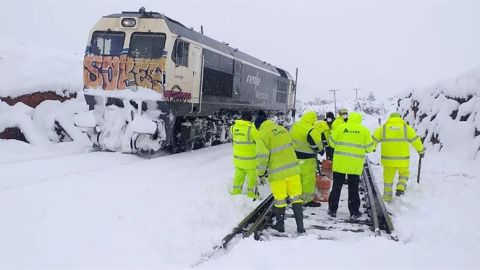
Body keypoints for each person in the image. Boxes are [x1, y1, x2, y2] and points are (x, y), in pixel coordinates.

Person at [255, 111, 305, 233]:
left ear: (259, 125)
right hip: (293, 170)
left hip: (278, 173)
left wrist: (261, 173)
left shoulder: (262, 134)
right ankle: (300, 227)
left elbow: (262, 156)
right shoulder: (282, 129)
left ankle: (280, 225)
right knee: (296, 198)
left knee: (280, 199)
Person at [328, 111, 375, 219]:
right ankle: (354, 212)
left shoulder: (340, 128)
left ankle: (332, 210)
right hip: (354, 165)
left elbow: (331, 142)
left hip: (340, 163)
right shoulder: (364, 131)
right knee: (353, 188)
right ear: (359, 120)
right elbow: (369, 148)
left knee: (336, 187)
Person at [372, 112, 425, 202]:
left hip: (388, 160)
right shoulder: (406, 128)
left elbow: (373, 139)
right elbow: (416, 140)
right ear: (400, 118)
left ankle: (387, 198)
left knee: (388, 179)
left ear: (390, 118)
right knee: (404, 174)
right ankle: (400, 187)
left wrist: (371, 148)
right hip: (403, 160)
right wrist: (421, 151)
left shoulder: (383, 128)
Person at [289, 111, 324, 207]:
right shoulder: (311, 130)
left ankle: (295, 197)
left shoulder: (296, 125)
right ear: (313, 120)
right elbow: (318, 145)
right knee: (308, 180)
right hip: (307, 158)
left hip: (294, 156)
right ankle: (307, 200)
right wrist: (321, 150)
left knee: (296, 178)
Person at [230, 111, 259, 199]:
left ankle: (235, 193)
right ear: (250, 119)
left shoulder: (233, 127)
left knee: (238, 177)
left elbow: (233, 139)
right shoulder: (252, 130)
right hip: (250, 161)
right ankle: (251, 194)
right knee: (251, 179)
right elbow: (260, 142)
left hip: (238, 160)